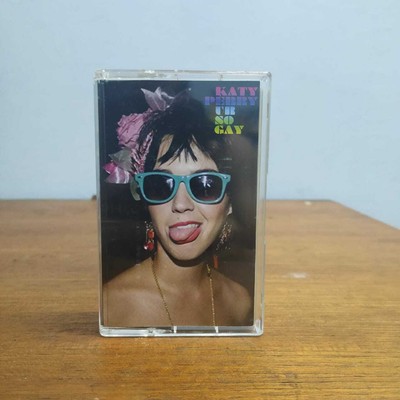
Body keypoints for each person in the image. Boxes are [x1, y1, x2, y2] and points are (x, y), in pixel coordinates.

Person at [102, 87, 252, 328]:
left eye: (205, 185)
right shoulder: (111, 305)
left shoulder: (240, 302)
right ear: (146, 201)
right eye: (161, 185)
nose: (180, 204)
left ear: (230, 202)